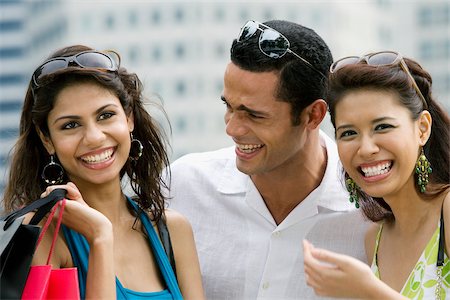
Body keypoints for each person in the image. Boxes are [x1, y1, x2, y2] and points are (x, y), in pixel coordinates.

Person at [167, 20, 368, 300]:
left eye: (254, 114)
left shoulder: (371, 212)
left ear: (313, 116)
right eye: (229, 107)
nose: (232, 129)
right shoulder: (180, 187)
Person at [2, 45, 205, 299]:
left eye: (106, 115)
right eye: (71, 125)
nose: (94, 138)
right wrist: (99, 238)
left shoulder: (172, 230)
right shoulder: (43, 237)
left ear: (128, 118)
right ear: (47, 139)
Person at [303, 51, 450, 299]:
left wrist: (370, 291)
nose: (366, 148)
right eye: (348, 133)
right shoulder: (376, 239)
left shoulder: (446, 211)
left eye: (383, 127)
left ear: (422, 129)